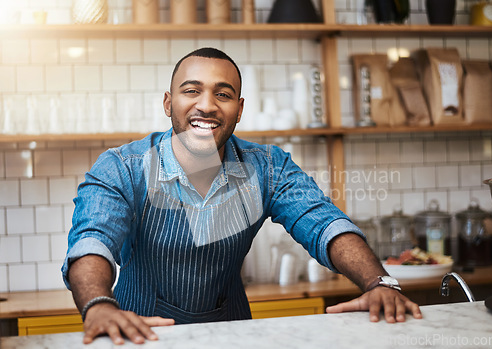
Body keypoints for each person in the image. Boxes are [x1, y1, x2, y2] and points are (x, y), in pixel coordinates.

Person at [62, 47, 421, 345]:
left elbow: (323, 221)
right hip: (137, 336)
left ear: (239, 108)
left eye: (223, 94)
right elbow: (93, 240)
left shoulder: (267, 167)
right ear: (168, 103)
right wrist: (98, 304)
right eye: (191, 91)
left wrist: (380, 282)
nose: (207, 105)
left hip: (230, 336)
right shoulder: (124, 167)